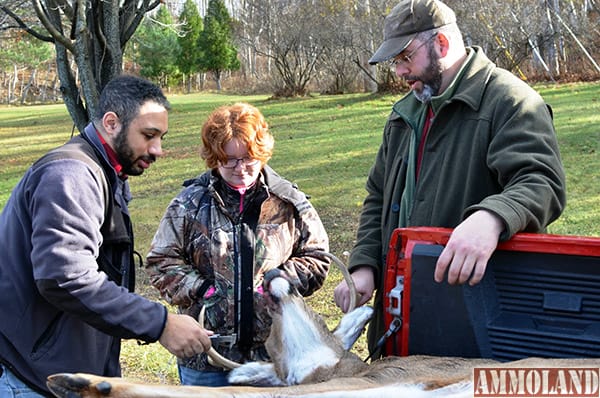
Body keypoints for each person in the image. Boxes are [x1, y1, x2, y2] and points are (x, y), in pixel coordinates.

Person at [334, 0, 566, 359]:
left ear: (441, 44)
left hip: (474, 319)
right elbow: (378, 195)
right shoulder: (404, 115)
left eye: (405, 57)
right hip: (403, 317)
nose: (398, 71)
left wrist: (491, 219)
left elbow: (540, 181)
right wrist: (365, 265)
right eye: (395, 61)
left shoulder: (511, 101)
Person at [0, 75, 212, 397]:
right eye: (149, 135)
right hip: (30, 377)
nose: (158, 150)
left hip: (61, 371)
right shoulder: (71, 174)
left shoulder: (106, 172)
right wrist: (160, 324)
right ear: (111, 123)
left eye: (161, 137)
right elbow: (65, 277)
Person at [146, 102, 330, 387]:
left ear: (261, 153)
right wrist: (203, 289)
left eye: (248, 158)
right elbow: (161, 262)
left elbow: (317, 256)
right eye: (228, 159)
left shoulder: (289, 201)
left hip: (276, 357)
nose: (240, 168)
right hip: (206, 359)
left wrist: (281, 281)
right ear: (213, 158)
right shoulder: (189, 204)